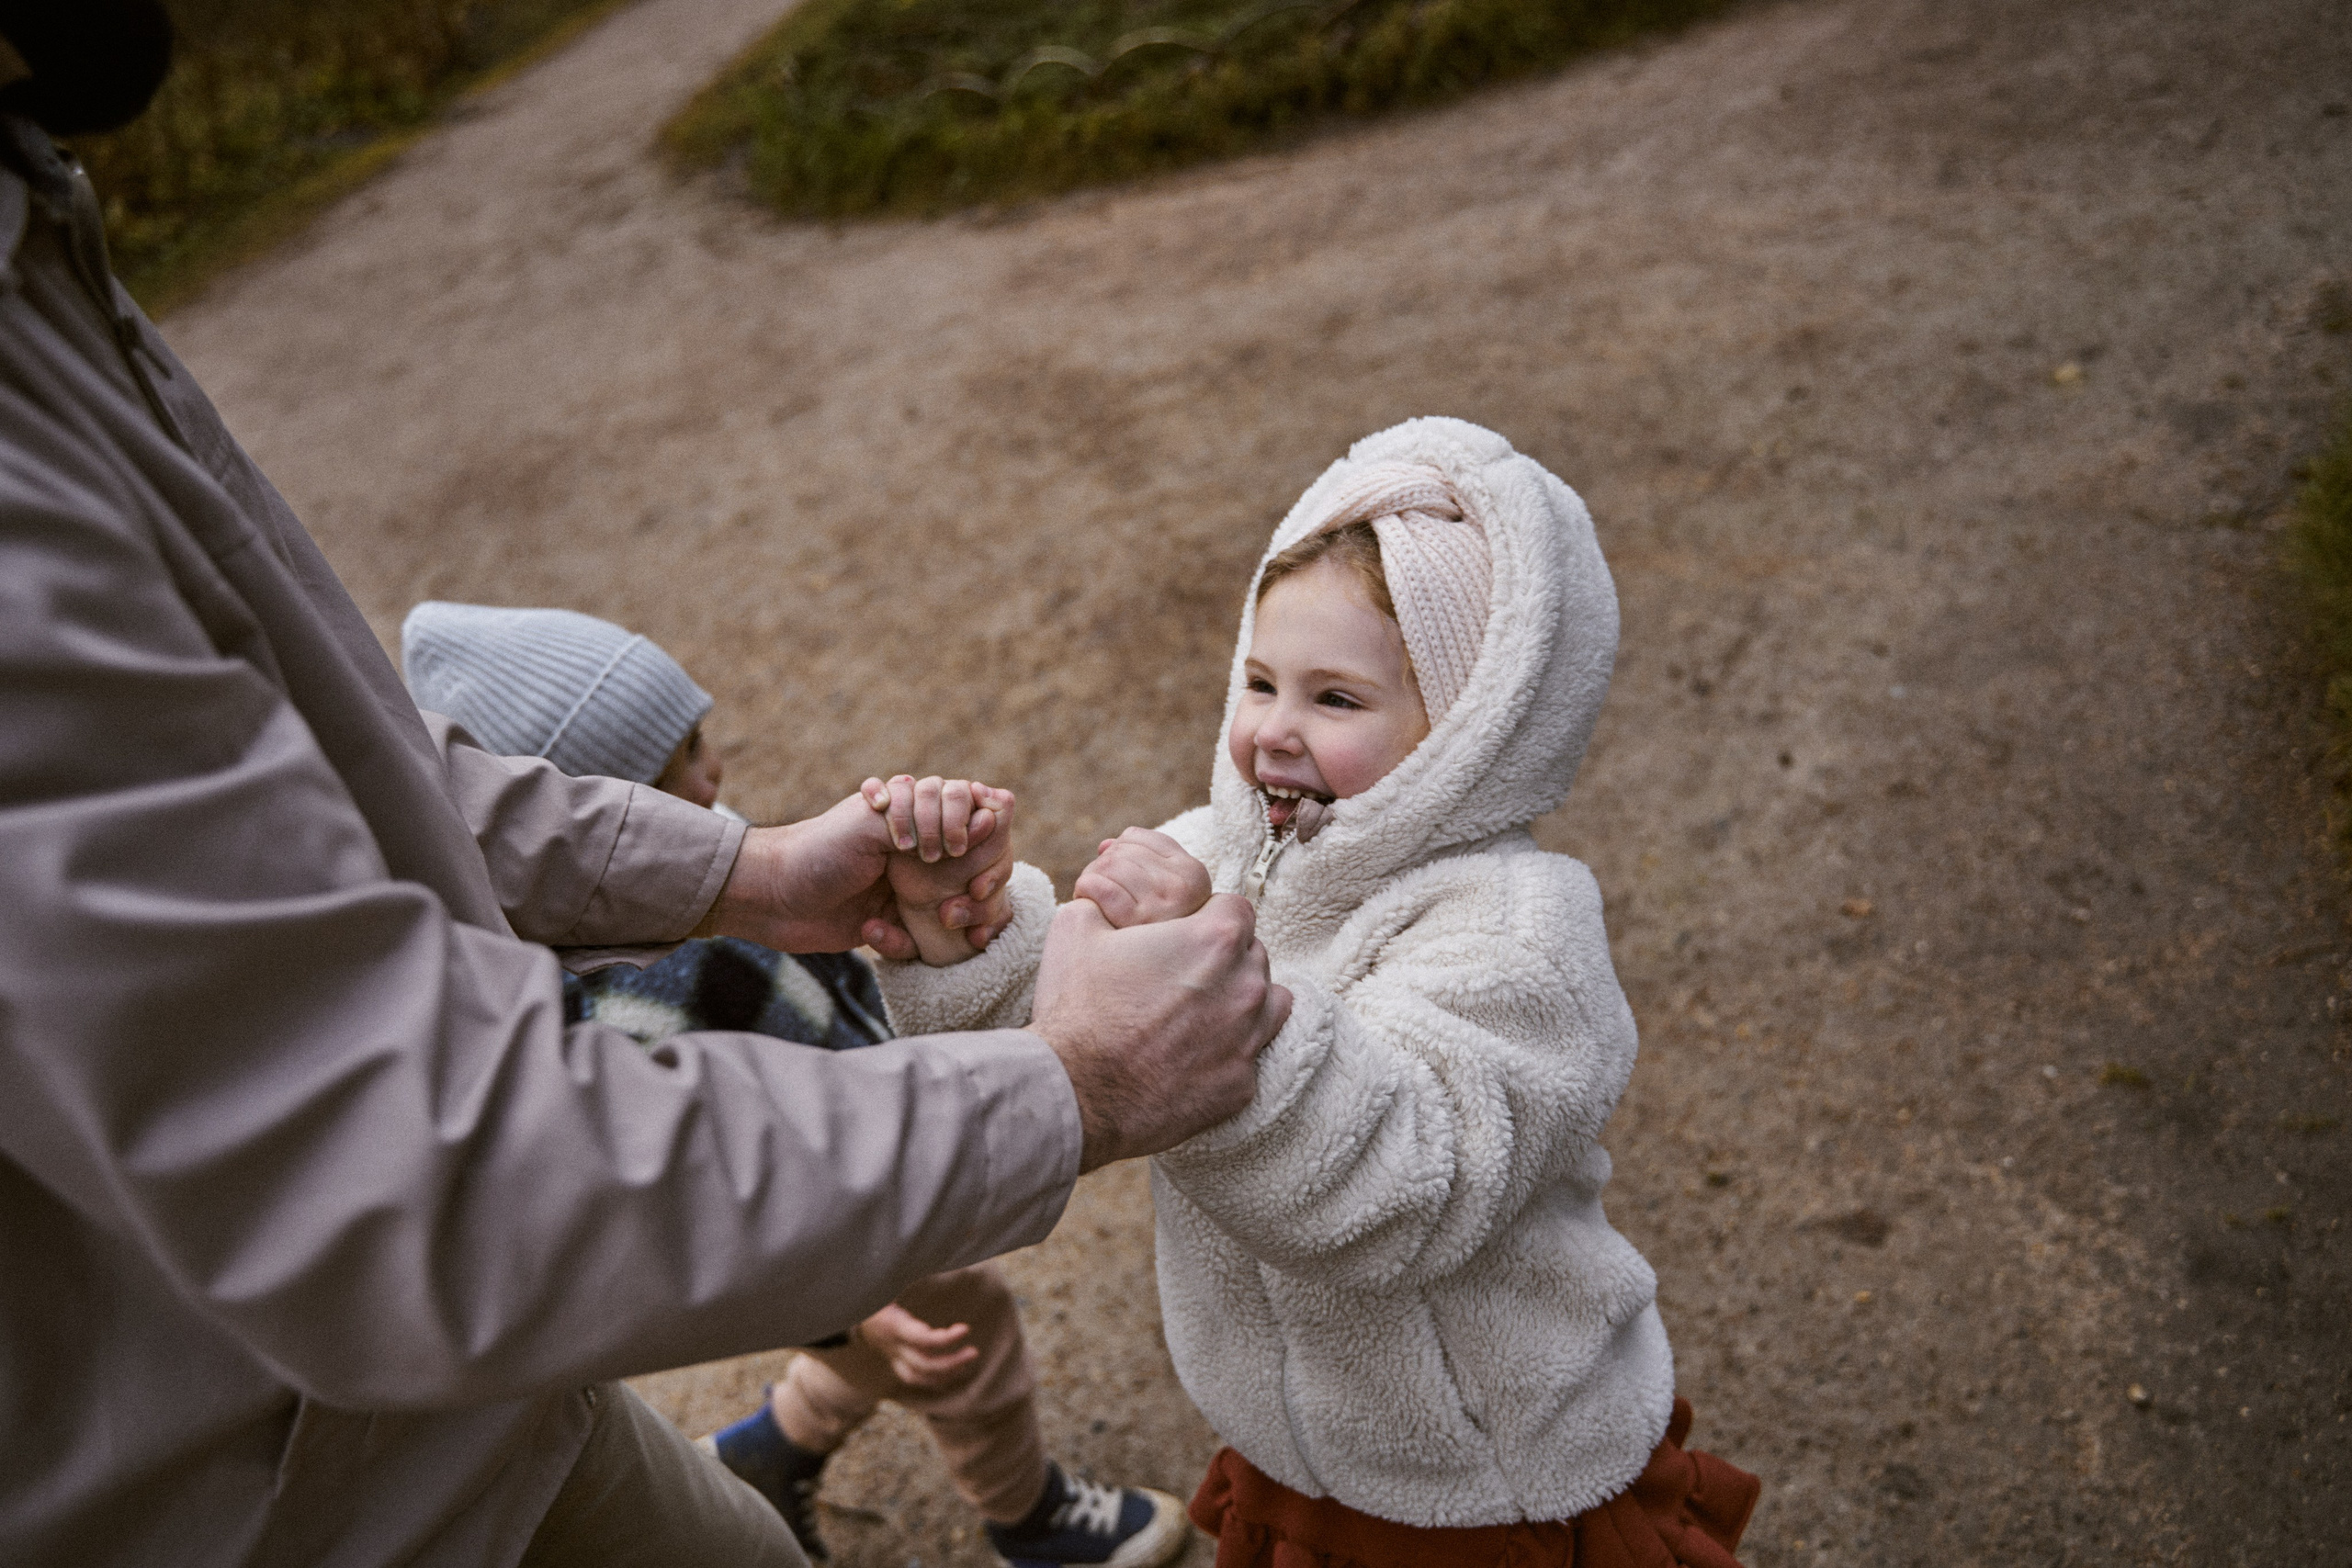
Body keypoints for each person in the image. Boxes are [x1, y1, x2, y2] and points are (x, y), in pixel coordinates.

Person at [0, 22, 1290, 1568]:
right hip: (267, 1520)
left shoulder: (34, 243)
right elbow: (414, 1171)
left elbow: (330, 768)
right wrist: (1075, 1088)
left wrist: (742, 868)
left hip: (473, 1422)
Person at [872, 419, 1761, 1567]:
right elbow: (1069, 1032)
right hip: (1292, 1443)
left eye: (1336, 700)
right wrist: (967, 926)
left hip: (1482, 1481)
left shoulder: (1515, 933)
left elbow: (1406, 1183)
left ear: (1467, 734)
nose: (1272, 734)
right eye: (1258, 681)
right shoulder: (1222, 856)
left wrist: (1200, 971)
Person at [400, 601, 1190, 1567]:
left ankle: (773, 1450)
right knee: (967, 1355)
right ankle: (1031, 1517)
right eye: (679, 763)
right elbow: (683, 1180)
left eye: (698, 741)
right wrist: (843, 1306)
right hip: (818, 1212)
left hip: (872, 1149)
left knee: (893, 1358)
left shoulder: (715, 859)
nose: (714, 772)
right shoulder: (624, 996)